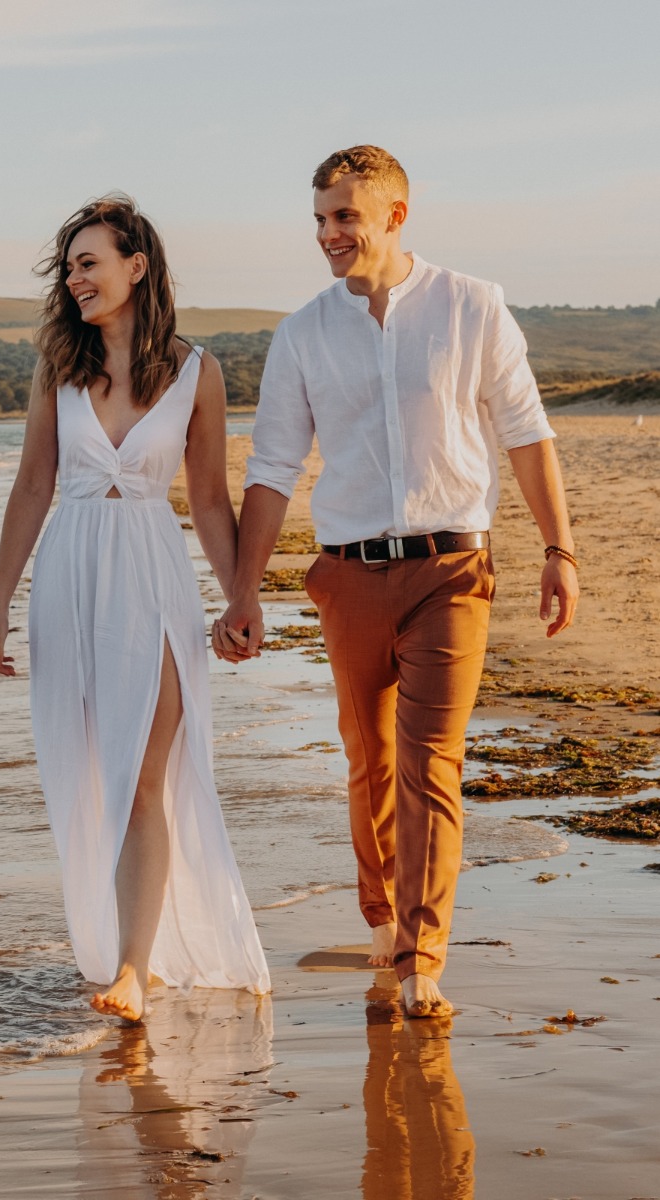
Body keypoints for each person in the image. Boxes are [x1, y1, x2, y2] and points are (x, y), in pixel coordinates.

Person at [212, 145, 578, 1017]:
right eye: (319, 221)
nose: (330, 235)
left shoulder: (472, 305)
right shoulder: (302, 333)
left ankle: (421, 958)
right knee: (370, 761)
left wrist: (560, 550)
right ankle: (381, 913)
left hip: (452, 570)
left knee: (429, 765)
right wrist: (242, 591)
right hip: (347, 577)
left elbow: (526, 433)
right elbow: (269, 470)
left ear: (394, 215)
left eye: (345, 216)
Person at [0, 195, 270, 1022]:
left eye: (88, 262)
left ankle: (133, 973)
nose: (75, 280)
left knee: (144, 778)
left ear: (135, 267)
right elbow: (33, 486)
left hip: (151, 577)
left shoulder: (196, 371)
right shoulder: (57, 367)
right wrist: (0, 602)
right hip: (69, 579)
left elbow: (211, 501)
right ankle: (116, 947)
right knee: (90, 778)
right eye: (68, 267)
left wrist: (241, 595)